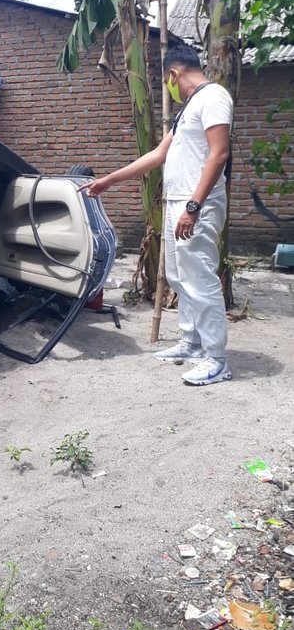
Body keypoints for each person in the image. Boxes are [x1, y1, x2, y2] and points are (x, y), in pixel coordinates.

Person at [83, 44, 233, 386]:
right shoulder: (188, 109)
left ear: (173, 74)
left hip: (198, 204)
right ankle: (192, 343)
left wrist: (193, 207)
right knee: (180, 278)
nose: (170, 89)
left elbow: (219, 153)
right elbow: (157, 154)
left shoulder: (213, 97)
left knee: (200, 281)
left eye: (167, 82)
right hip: (177, 203)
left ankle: (216, 359)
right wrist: (109, 180)